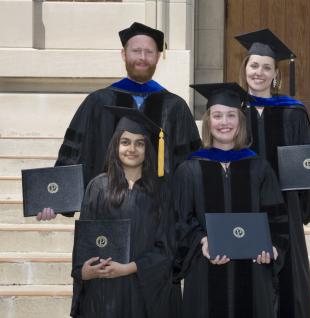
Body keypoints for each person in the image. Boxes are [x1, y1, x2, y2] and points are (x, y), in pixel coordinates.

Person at [37, 22, 201, 221]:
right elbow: (75, 151)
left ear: (158, 56)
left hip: (159, 216)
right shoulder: (98, 102)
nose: (142, 57)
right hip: (106, 210)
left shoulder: (175, 106)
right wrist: (55, 200)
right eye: (136, 51)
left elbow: (189, 164)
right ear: (124, 54)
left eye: (149, 52)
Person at [235, 28, 310, 318]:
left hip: (285, 209)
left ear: (275, 74)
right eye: (254, 65)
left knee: (289, 283)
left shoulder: (293, 112)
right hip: (244, 208)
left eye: (266, 67)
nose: (259, 72)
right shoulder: (233, 113)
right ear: (245, 69)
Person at [173, 82, 289, 318]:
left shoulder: (259, 168)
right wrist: (201, 242)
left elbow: (277, 218)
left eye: (230, 115)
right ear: (208, 121)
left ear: (240, 122)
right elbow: (178, 219)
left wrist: (272, 247)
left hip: (253, 272)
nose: (224, 122)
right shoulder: (190, 169)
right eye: (217, 116)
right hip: (205, 270)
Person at [71, 108, 181, 318]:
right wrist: (82, 271)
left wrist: (129, 268)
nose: (132, 149)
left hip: (146, 290)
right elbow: (84, 240)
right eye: (125, 142)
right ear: (115, 146)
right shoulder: (98, 186)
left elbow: (168, 244)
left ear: (148, 149)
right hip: (105, 290)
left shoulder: (162, 189)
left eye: (140, 143)